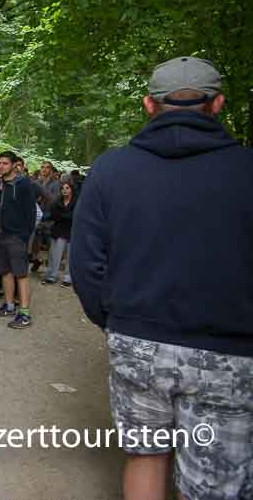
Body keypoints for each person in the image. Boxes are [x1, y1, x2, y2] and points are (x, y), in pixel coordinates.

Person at [72, 56, 253, 500]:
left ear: (149, 105)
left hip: (137, 339)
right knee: (215, 484)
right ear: (218, 104)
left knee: (145, 456)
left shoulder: (111, 169)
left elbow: (85, 265)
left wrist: (115, 321)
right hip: (229, 348)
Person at [0, 151, 38, 328]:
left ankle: (24, 313)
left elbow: (30, 212)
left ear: (14, 165)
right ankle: (9, 306)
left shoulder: (24, 184)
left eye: (5, 163)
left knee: (21, 274)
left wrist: (24, 236)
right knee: (5, 272)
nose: (0, 166)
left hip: (17, 236)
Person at [42, 181, 75, 286]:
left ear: (72, 190)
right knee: (54, 255)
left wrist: (61, 216)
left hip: (72, 231)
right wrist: (63, 216)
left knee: (71, 257)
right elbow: (53, 215)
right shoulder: (57, 202)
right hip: (58, 230)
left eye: (67, 188)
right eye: (62, 188)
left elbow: (73, 216)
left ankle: (68, 278)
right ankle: (52, 275)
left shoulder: (77, 202)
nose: (64, 190)